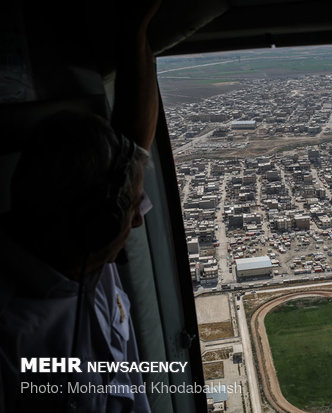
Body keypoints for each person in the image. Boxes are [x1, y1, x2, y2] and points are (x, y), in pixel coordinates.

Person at [0, 2, 160, 412]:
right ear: (98, 226)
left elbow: (134, 146)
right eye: (130, 211)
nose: (139, 216)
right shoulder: (14, 335)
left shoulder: (78, 248)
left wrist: (136, 32)